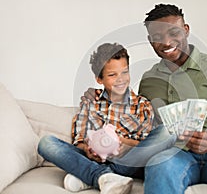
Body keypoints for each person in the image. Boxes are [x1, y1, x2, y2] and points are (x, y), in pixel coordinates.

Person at [83, 4, 207, 194]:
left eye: (174, 32)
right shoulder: (149, 80)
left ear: (186, 30)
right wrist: (98, 94)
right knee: (159, 166)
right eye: (157, 37)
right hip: (173, 156)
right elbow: (133, 115)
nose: (167, 42)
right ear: (150, 40)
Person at [38, 43, 174, 194]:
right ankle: (103, 176)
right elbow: (80, 141)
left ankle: (94, 176)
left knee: (167, 132)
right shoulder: (90, 102)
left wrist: (121, 142)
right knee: (46, 143)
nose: (120, 79)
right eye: (112, 75)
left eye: (124, 72)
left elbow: (145, 145)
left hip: (128, 160)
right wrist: (89, 151)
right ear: (99, 79)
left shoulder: (142, 105)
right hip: (93, 158)